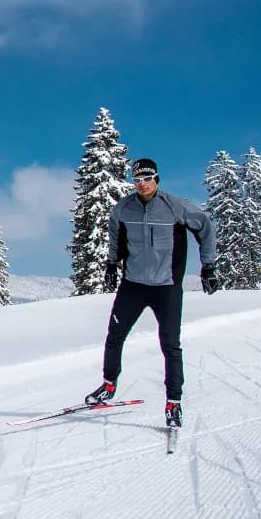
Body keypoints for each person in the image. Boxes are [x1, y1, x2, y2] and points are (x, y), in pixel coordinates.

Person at [85, 158, 218, 428]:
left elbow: (205, 227)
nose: (142, 185)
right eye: (137, 180)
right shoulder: (124, 209)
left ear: (157, 179)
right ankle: (109, 384)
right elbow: (114, 236)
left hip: (166, 288)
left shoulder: (175, 207)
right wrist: (111, 264)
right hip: (132, 285)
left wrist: (209, 266)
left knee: (170, 345)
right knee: (115, 336)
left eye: (147, 179)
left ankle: (173, 402)